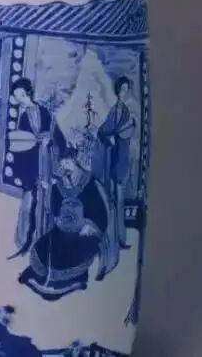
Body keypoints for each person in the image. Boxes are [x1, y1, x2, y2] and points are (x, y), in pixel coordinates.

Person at [18, 152, 109, 301]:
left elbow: (100, 213)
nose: (64, 167)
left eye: (66, 163)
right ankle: (42, 277)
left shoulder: (90, 183)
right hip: (62, 229)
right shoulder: (59, 186)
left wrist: (88, 225)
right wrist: (47, 192)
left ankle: (71, 279)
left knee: (74, 251)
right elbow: (54, 209)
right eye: (62, 165)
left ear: (74, 160)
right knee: (44, 247)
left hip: (85, 231)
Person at [7, 78, 65, 256]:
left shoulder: (44, 112)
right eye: (16, 97)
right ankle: (28, 241)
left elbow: (58, 135)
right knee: (31, 204)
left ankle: (47, 239)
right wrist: (26, 175)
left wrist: (50, 140)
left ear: (27, 93)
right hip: (33, 166)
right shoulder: (24, 118)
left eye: (20, 94)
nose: (19, 99)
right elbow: (21, 146)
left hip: (47, 162)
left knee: (48, 202)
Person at [97, 76, 137, 250]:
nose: (124, 93)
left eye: (126, 90)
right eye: (122, 89)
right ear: (117, 91)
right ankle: (112, 238)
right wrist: (110, 138)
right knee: (112, 200)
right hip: (112, 160)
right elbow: (102, 132)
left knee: (119, 201)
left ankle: (120, 238)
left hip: (122, 160)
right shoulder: (113, 111)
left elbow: (127, 132)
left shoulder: (126, 111)